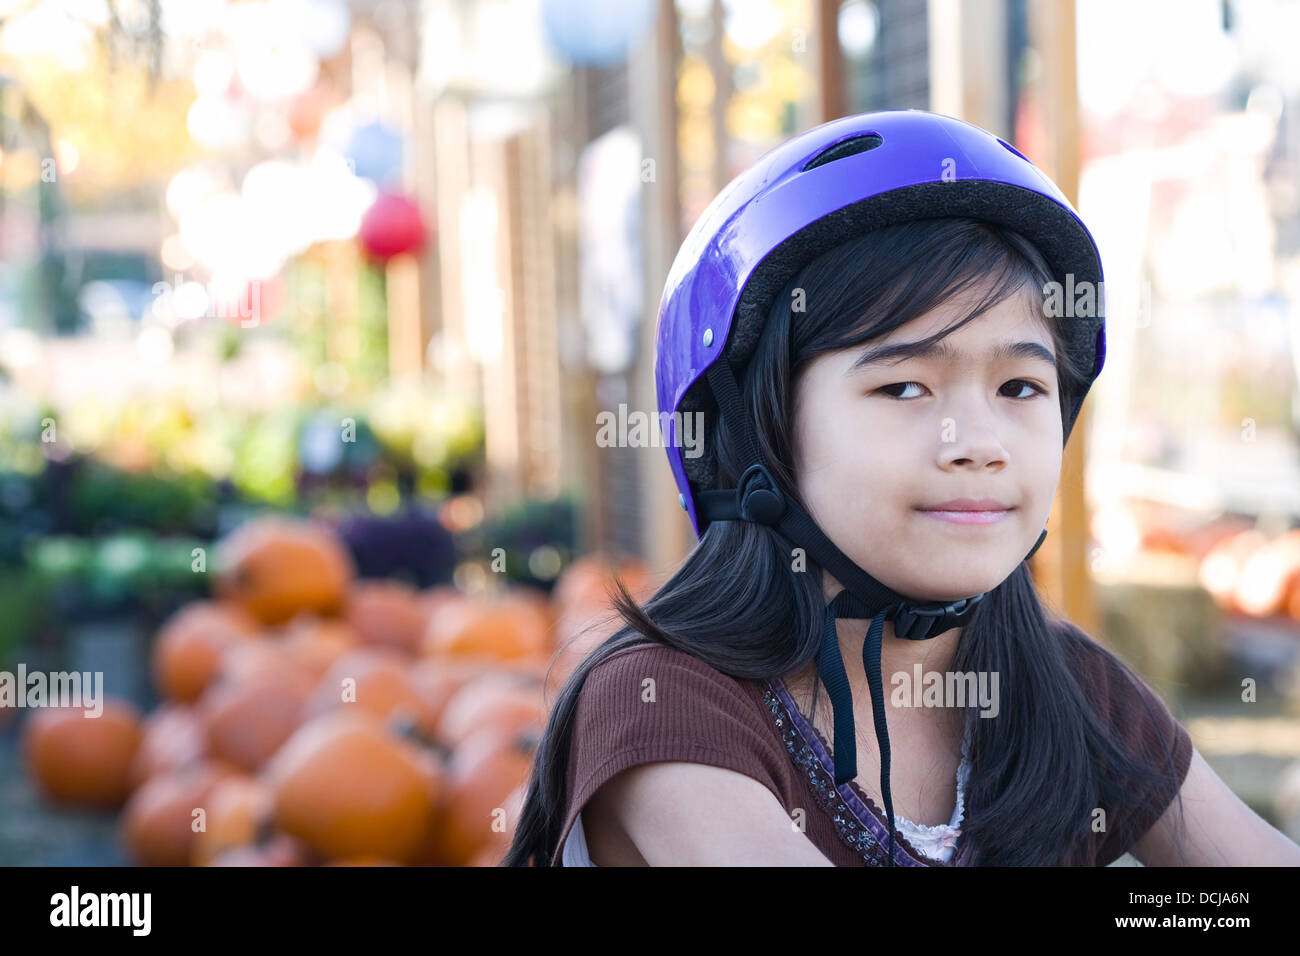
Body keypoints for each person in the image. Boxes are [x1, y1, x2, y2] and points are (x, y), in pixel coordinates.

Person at [503, 109, 1300, 867]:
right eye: (906, 388)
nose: (979, 444)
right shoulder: (660, 703)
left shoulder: (1065, 684)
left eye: (1020, 387)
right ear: (753, 434)